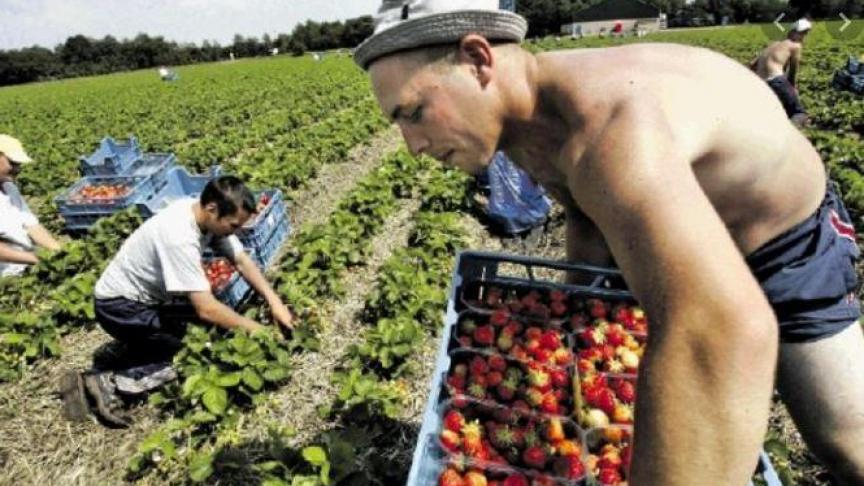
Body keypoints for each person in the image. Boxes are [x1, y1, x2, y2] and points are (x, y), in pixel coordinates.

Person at [355, 1, 864, 484]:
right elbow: (586, 213)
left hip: (784, 242)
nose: (413, 145)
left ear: (477, 59)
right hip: (688, 238)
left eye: (415, 111)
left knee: (846, 443)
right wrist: (577, 329)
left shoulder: (606, 128)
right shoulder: (528, 125)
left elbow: (722, 329)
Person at [60, 176, 295, 427]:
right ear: (212, 209)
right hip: (120, 308)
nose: (235, 232)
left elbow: (241, 260)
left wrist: (275, 302)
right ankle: (109, 382)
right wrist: (258, 330)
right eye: (233, 225)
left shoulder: (200, 214)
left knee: (205, 333)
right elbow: (207, 309)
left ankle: (132, 350)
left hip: (141, 302)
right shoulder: (179, 236)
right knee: (192, 355)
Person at [0, 134, 62, 277]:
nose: (18, 169)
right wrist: (37, 259)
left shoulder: (10, 189)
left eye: (19, 164)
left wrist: (60, 252)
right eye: (12, 163)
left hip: (25, 266)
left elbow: (32, 226)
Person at [750, 18, 812, 126]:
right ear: (793, 32)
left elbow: (752, 65)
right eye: (802, 33)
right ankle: (787, 133)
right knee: (799, 114)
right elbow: (793, 71)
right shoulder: (795, 46)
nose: (803, 36)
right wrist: (793, 89)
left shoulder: (773, 44)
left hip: (761, 84)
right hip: (776, 81)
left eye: (805, 33)